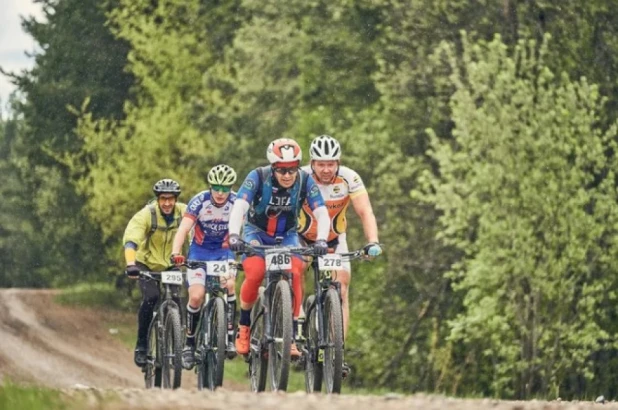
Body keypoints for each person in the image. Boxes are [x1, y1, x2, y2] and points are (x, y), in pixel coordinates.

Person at [227, 138, 330, 358]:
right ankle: (244, 326)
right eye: (282, 170)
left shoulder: (304, 180)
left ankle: (291, 335)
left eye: (292, 169)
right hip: (257, 233)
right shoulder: (258, 177)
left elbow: (321, 212)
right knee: (254, 273)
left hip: (288, 235)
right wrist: (234, 235)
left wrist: (321, 239)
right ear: (273, 167)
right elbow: (239, 207)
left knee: (295, 271)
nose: (287, 175)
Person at [298, 135, 382, 371]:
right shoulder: (301, 178)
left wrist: (372, 241)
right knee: (296, 270)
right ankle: (296, 319)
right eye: (321, 164)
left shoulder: (349, 178)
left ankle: (338, 352)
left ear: (338, 162)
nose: (326, 169)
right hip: (303, 237)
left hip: (334, 239)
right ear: (312, 163)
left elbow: (365, 211)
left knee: (342, 288)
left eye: (331, 163)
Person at [170, 164, 239, 370]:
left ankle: (229, 336)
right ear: (210, 186)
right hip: (199, 252)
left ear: (231, 188)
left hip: (223, 251)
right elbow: (183, 229)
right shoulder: (199, 201)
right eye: (216, 187)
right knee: (196, 296)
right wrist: (176, 253)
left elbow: (248, 227)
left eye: (225, 188)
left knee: (229, 285)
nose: (220, 192)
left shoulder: (237, 202)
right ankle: (189, 344)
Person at [123, 178, 187, 367]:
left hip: (171, 263)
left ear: (176, 199)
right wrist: (130, 263)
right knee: (151, 297)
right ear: (157, 199)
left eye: (171, 199)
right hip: (146, 264)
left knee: (176, 299)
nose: (167, 203)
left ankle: (178, 343)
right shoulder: (147, 215)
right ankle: (142, 345)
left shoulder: (184, 213)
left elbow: (195, 232)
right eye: (163, 199)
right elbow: (131, 239)